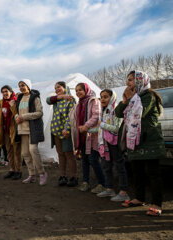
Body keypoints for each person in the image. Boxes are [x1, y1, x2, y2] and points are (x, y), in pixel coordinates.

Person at [116, 70, 165, 216]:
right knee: (137, 172)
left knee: (153, 173)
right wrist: (125, 100)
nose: (128, 83)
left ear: (140, 81)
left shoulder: (148, 96)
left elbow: (139, 112)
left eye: (131, 80)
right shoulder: (134, 97)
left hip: (149, 141)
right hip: (135, 141)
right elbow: (118, 113)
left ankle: (157, 203)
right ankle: (139, 198)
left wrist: (131, 99)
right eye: (127, 80)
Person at [69, 83, 105, 193]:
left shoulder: (94, 101)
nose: (78, 92)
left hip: (92, 135)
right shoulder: (78, 104)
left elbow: (96, 115)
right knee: (84, 159)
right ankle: (85, 182)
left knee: (93, 159)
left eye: (80, 90)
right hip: (82, 135)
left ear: (86, 90)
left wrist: (86, 126)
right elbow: (74, 118)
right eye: (76, 90)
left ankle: (102, 183)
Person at [95, 89, 130, 201]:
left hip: (115, 143)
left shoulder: (116, 110)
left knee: (119, 166)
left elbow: (116, 128)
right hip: (105, 143)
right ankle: (110, 189)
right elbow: (102, 127)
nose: (103, 99)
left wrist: (102, 125)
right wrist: (89, 130)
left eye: (106, 97)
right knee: (106, 166)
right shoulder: (105, 111)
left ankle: (124, 192)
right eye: (101, 97)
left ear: (112, 97)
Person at [15, 79, 47, 185]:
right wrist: (16, 117)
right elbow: (16, 112)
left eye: (23, 85)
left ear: (28, 86)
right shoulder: (19, 98)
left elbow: (39, 113)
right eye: (19, 86)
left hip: (32, 128)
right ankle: (31, 175)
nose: (21, 87)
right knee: (25, 153)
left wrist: (24, 117)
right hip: (22, 129)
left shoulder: (34, 98)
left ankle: (42, 173)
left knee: (33, 150)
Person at [46, 81, 77, 187]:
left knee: (69, 154)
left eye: (59, 87)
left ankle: (74, 176)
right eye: (55, 88)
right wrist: (61, 96)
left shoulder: (71, 99)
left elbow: (71, 116)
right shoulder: (56, 100)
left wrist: (67, 129)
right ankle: (62, 176)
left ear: (65, 87)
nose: (57, 89)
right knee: (60, 154)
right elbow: (47, 100)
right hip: (55, 130)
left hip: (65, 131)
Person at [0, 85, 22, 180]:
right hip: (5, 131)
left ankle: (18, 171)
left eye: (6, 91)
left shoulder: (16, 100)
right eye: (3, 92)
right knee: (9, 151)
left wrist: (13, 106)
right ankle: (11, 170)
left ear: (10, 91)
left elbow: (17, 115)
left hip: (14, 130)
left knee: (17, 151)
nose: (5, 93)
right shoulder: (1, 102)